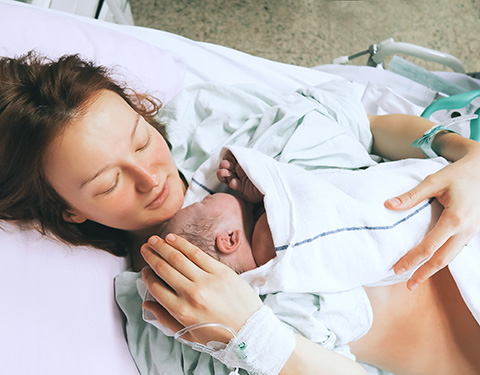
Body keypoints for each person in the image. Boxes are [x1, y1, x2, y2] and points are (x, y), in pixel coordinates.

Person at [1, 52, 480, 375]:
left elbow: (366, 126)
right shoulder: (165, 311)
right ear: (69, 212)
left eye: (143, 139)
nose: (151, 177)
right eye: (109, 183)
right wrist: (254, 335)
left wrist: (462, 153)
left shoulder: (210, 123)